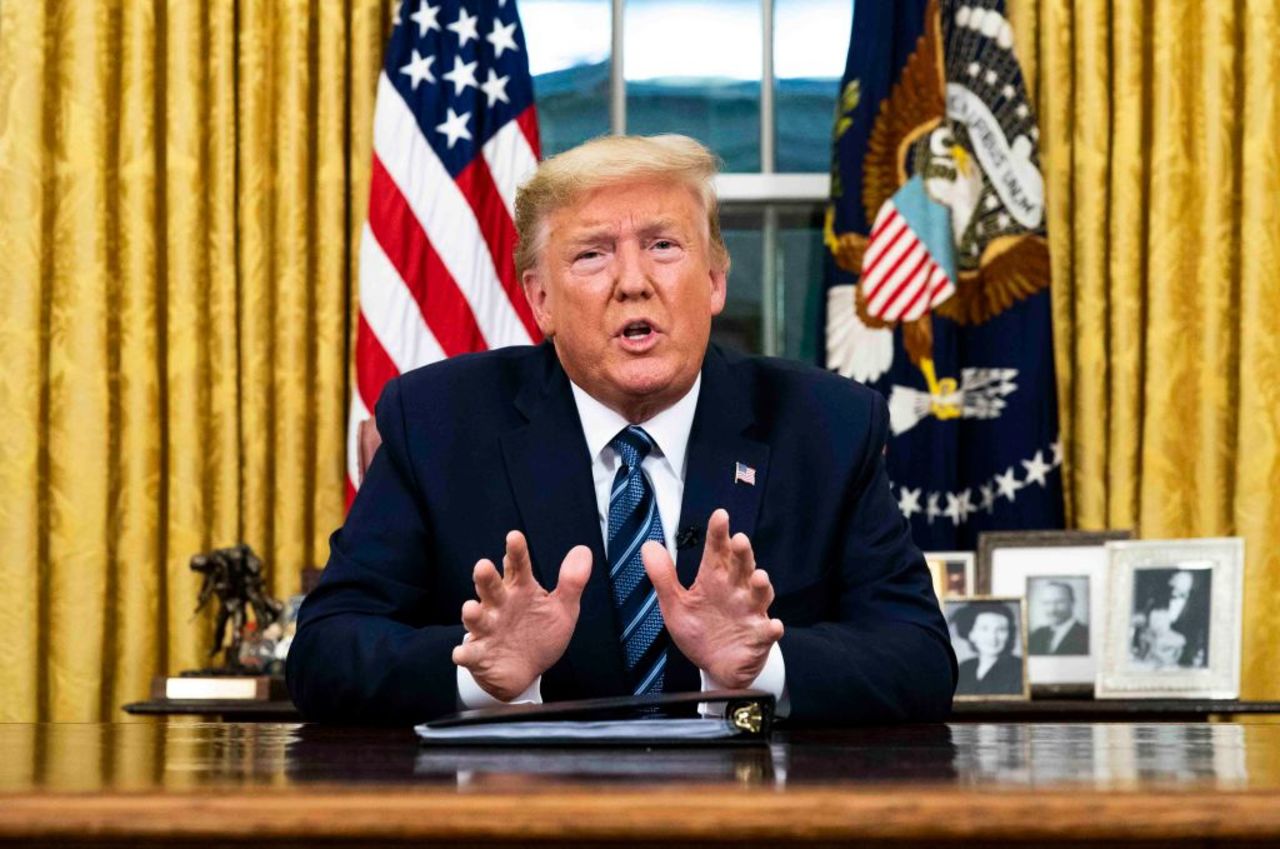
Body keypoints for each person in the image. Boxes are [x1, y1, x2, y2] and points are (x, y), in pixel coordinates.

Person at [285, 134, 957, 725]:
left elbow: (920, 657)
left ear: (716, 280)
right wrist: (478, 669)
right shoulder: (436, 422)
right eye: (592, 256)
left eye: (663, 246)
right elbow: (324, 651)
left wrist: (762, 666)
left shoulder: (827, 425)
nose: (632, 282)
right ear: (541, 299)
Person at [952, 603, 1023, 696]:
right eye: (984, 629)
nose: (993, 637)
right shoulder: (965, 668)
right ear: (971, 634)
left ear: (1009, 634)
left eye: (1001, 629)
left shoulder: (1019, 668)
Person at [1027, 581, 1089, 656]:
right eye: (1047, 603)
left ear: (1072, 603)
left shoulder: (1086, 635)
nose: (1052, 609)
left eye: (1059, 602)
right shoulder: (1037, 635)